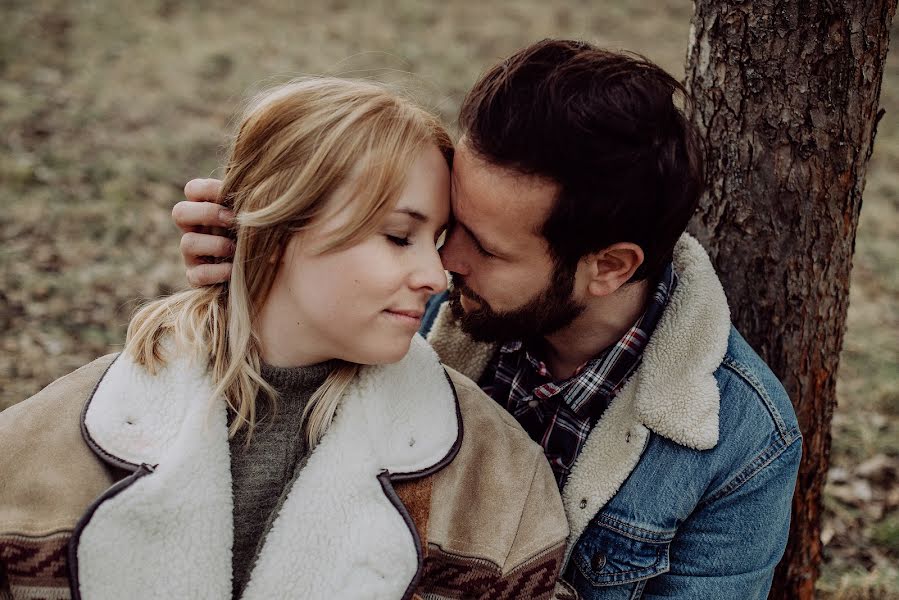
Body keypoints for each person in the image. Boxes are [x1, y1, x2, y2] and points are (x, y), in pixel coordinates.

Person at [175, 40, 803, 599]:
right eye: (450, 222)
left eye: (488, 247)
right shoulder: (420, 303)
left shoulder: (743, 444)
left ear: (609, 267)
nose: (443, 263)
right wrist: (259, 266)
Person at [0, 78, 575, 600]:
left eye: (438, 238)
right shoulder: (37, 447)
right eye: (400, 236)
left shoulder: (498, 477)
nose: (436, 273)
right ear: (277, 233)